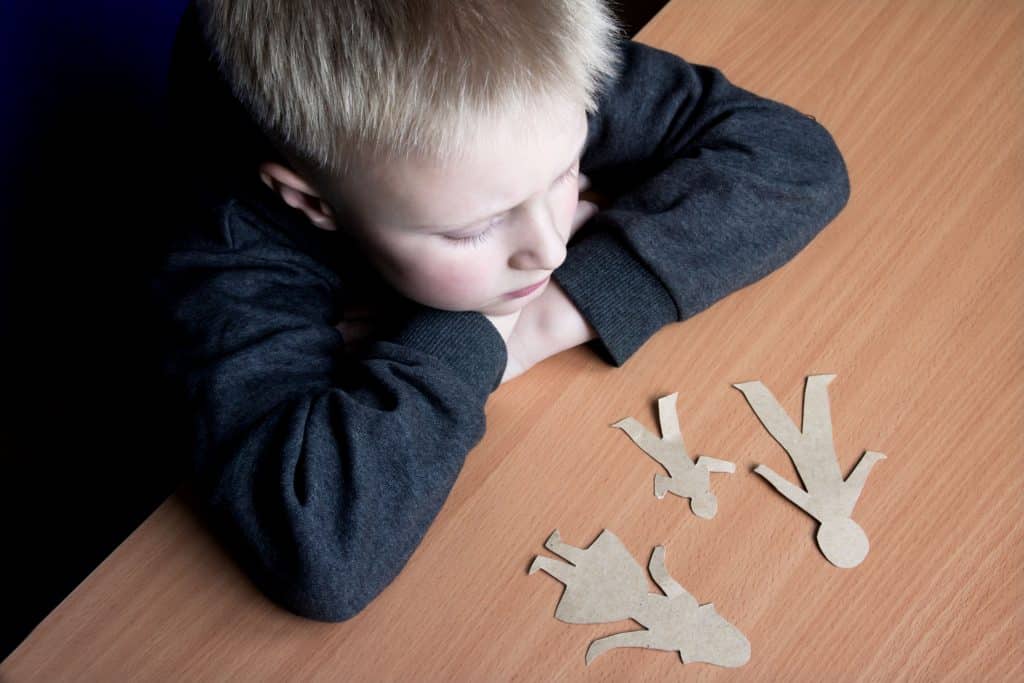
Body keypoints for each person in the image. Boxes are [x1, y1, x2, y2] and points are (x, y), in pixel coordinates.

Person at [151, 0, 850, 622]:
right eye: (471, 228)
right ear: (312, 202)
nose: (548, 248)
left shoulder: (516, 67)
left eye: (565, 173)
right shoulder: (228, 246)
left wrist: (547, 318)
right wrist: (473, 329)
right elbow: (321, 550)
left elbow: (794, 161)